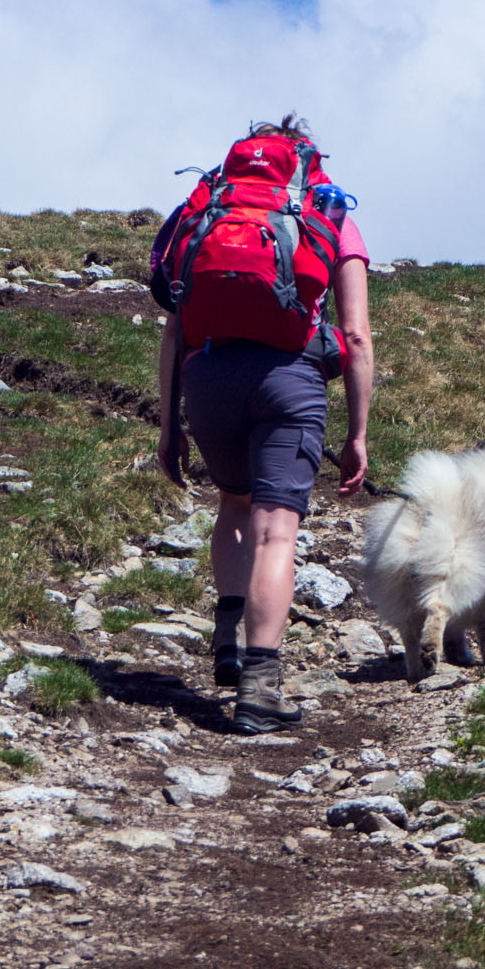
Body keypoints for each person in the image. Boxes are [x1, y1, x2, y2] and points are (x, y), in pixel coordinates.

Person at [155, 116, 374, 734]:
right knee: (276, 531)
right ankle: (260, 686)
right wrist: (356, 435)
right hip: (290, 380)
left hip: (209, 376)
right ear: (306, 162)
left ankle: (226, 644)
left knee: (232, 505)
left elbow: (175, 324)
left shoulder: (205, 214)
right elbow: (354, 334)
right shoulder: (327, 218)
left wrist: (168, 427)